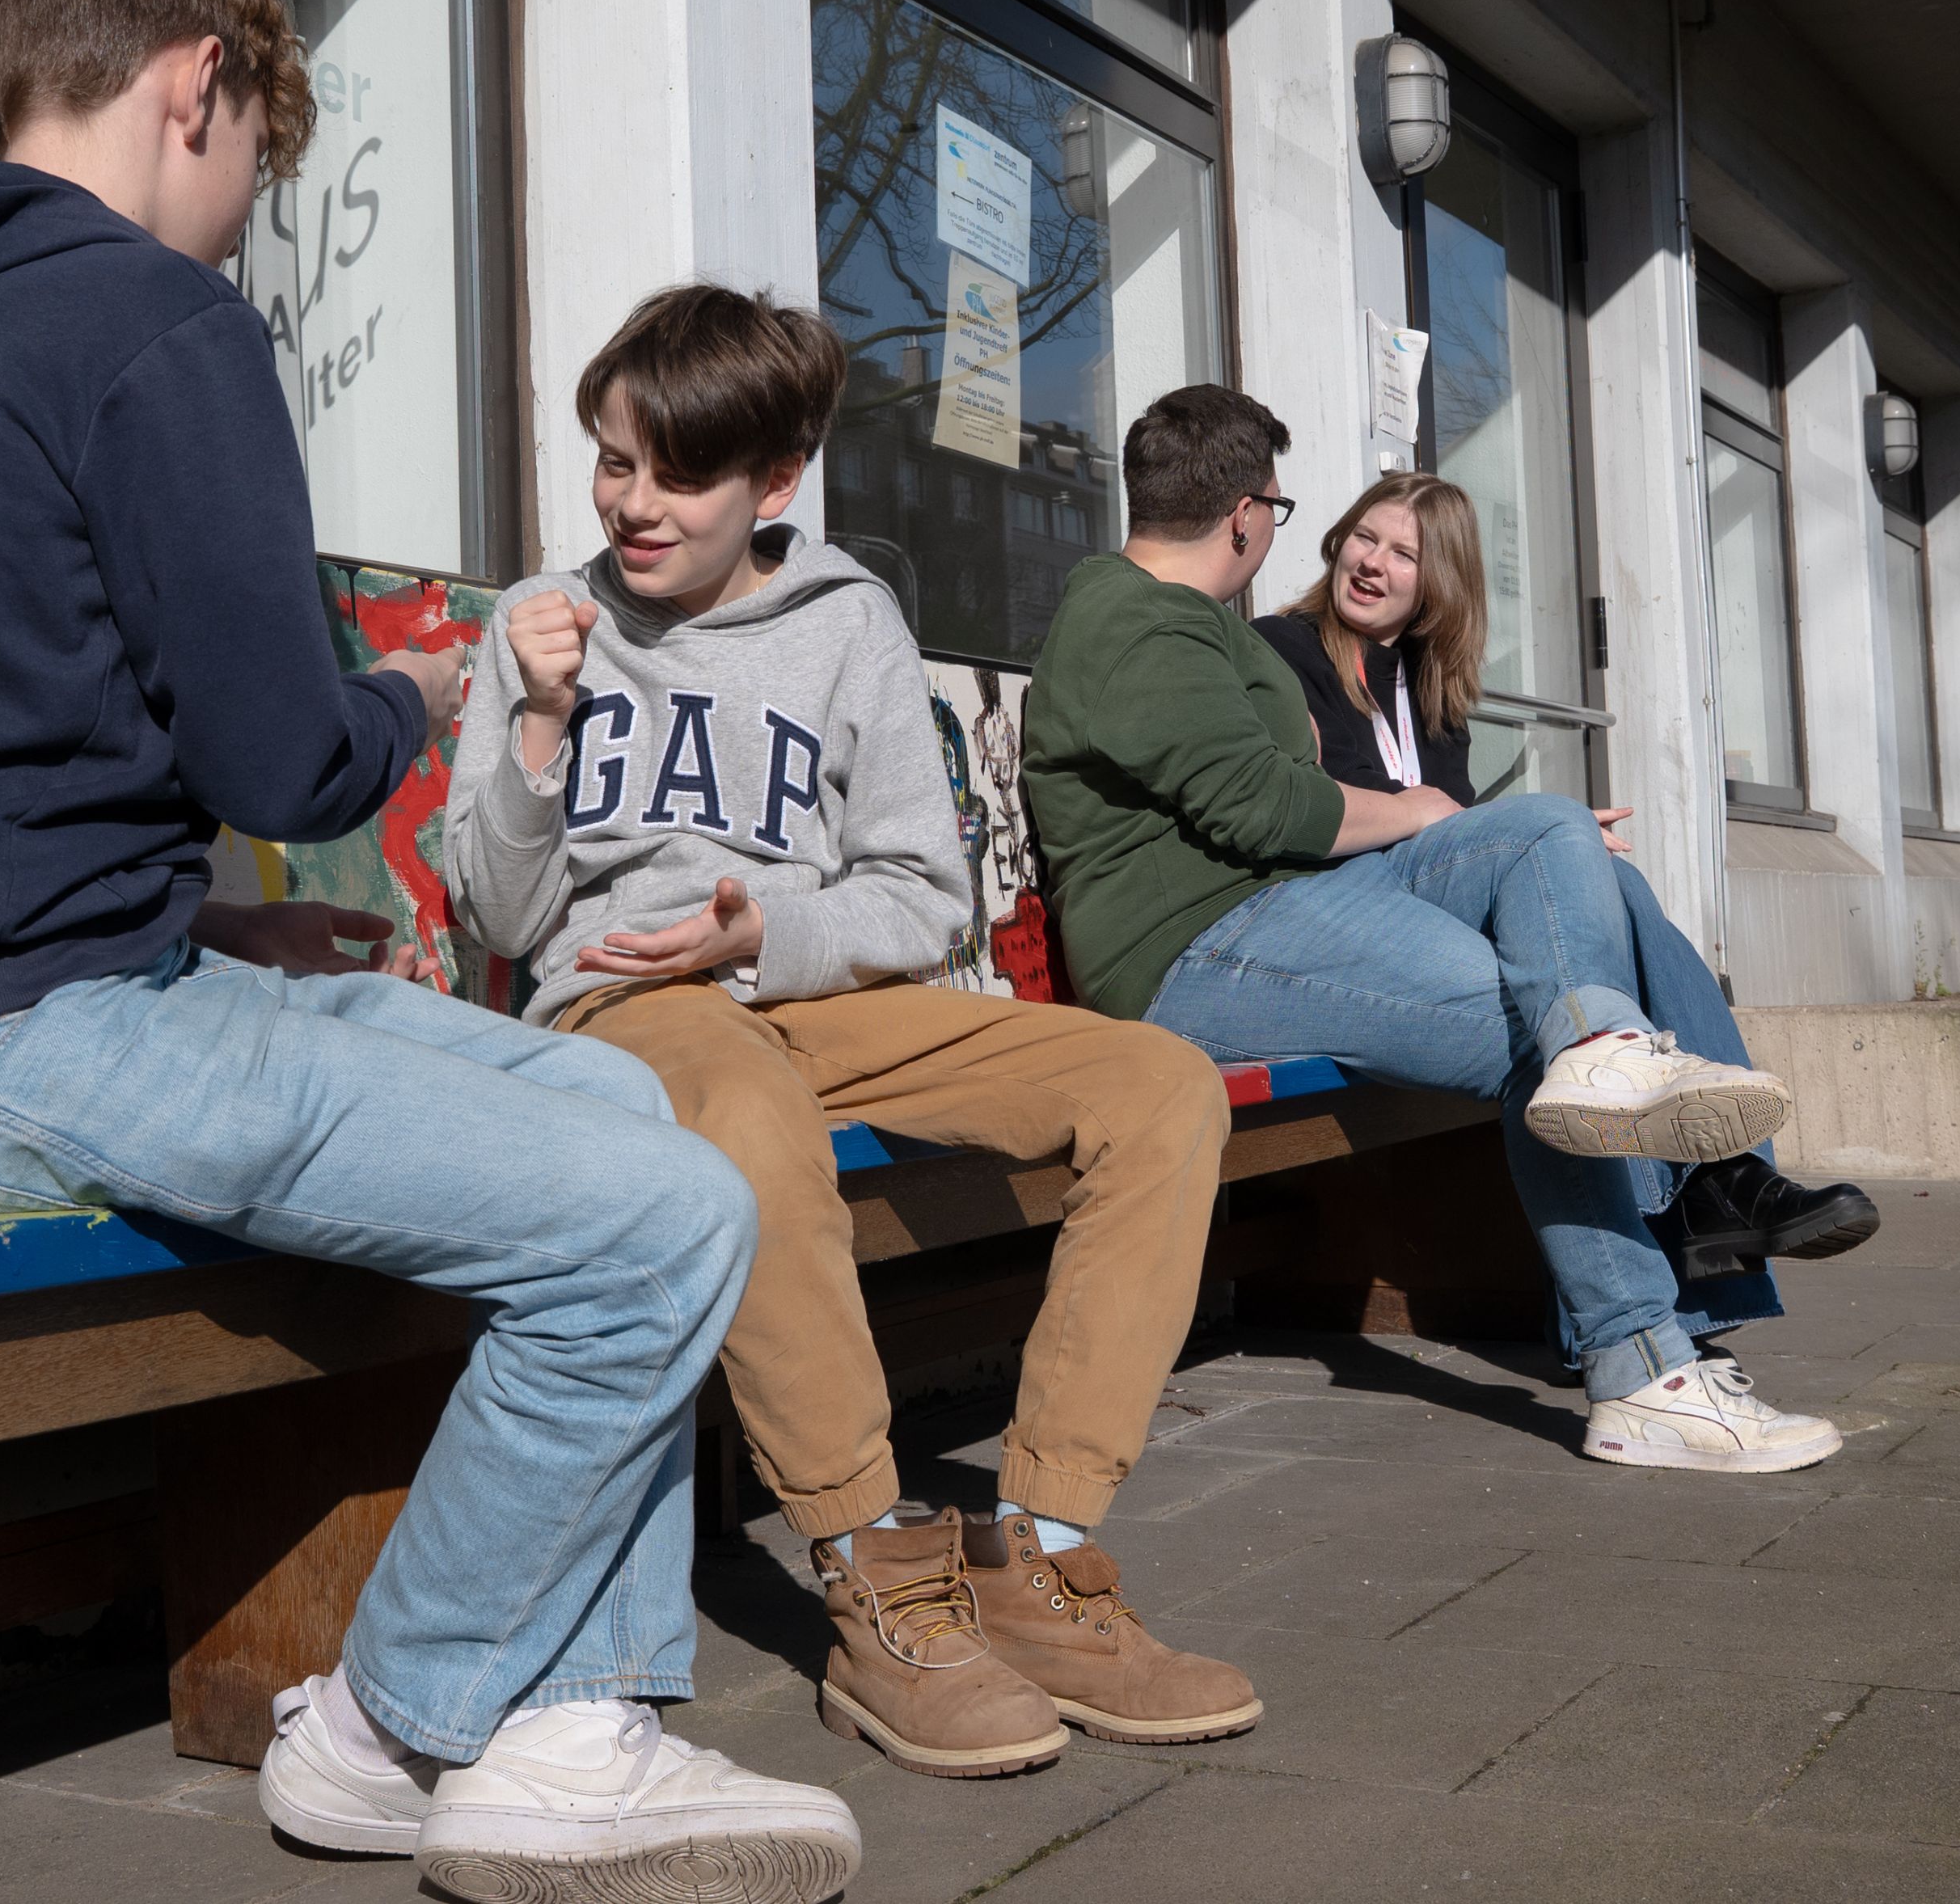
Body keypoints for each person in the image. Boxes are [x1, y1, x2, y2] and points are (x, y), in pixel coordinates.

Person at [0, 0, 855, 1904]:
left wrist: (203, 916)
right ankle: (397, 1722)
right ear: (195, 86)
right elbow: (284, 761)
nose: (247, 217)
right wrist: (417, 691)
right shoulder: (148, 319)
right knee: (670, 1207)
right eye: (255, 170)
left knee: (615, 1110)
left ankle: (564, 1723)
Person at [450, 285, 1259, 1782]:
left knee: (1157, 1084)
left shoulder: (845, 622)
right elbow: (499, 917)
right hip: (628, 1006)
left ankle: (1044, 1549)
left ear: (774, 485)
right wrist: (542, 727)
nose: (631, 504)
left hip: (813, 990)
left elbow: (924, 894)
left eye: (674, 474)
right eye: (613, 461)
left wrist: (767, 930)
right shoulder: (542, 626)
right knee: (747, 1123)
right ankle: (874, 1568)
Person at [1022, 385, 1847, 1474]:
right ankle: (1644, 1368)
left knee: (1548, 830)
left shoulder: (1196, 631)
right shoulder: (1131, 621)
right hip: (1197, 950)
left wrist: (1417, 816)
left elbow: (1281, 796)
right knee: (1531, 1037)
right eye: (1279, 505)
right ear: (1243, 513)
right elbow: (1262, 809)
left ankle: (1605, 1059)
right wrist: (1413, 810)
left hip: (1291, 909)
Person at [1249, 473, 1877, 1346]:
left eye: (1404, 553)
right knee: (1577, 872)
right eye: (1367, 538)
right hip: (1354, 918)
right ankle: (1723, 1184)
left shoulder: (1433, 689)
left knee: (1607, 883)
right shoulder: (1282, 650)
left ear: (1441, 583)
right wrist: (1525, 832)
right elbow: (1331, 813)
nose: (1374, 564)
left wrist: (1530, 836)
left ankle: (1716, 1191)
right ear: (1338, 540)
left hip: (1427, 901)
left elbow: (1453, 832)